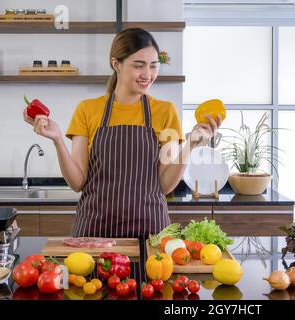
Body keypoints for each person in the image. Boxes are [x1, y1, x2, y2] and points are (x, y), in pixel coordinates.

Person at [23, 28, 221, 238]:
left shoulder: (165, 112)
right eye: (139, 65)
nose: (148, 74)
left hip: (149, 231)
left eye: (154, 66)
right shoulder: (87, 109)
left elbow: (164, 184)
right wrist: (57, 141)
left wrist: (190, 144)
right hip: (94, 231)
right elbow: (77, 182)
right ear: (116, 64)